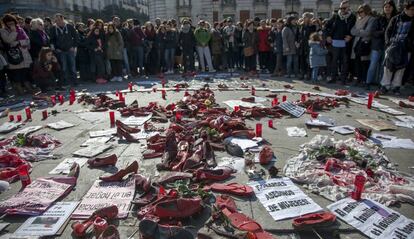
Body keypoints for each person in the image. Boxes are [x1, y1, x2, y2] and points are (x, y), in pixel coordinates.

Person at [380, 0, 414, 95]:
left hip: (406, 48)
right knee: (388, 67)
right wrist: (388, 43)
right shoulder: (396, 18)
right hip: (393, 46)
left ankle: (396, 87)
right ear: (405, 9)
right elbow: (388, 31)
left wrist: (410, 46)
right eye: (411, 9)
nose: (412, 11)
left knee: (401, 69)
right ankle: (385, 86)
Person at [366, 0, 398, 89]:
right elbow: (373, 32)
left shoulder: (396, 19)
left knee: (384, 67)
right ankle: (368, 82)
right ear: (383, 8)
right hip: (377, 45)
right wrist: (384, 32)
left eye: (389, 7)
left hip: (389, 46)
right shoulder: (378, 19)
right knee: (373, 65)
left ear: (393, 8)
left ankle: (381, 84)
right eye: (386, 7)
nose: (387, 8)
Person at [324, 0, 356, 84]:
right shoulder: (335, 16)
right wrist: (328, 36)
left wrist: (351, 36)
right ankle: (333, 77)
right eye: (340, 8)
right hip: (335, 43)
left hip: (346, 43)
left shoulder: (353, 17)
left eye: (344, 8)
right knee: (334, 61)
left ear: (349, 8)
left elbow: (355, 29)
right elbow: (326, 27)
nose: (342, 10)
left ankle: (343, 79)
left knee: (345, 61)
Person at [0, 14, 33, 95]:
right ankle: (19, 89)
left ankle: (28, 88)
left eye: (12, 22)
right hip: (14, 56)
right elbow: (8, 40)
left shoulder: (20, 29)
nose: (11, 24)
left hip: (24, 54)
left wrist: (18, 42)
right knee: (17, 74)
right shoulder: (3, 31)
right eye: (9, 23)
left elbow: (27, 40)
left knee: (25, 72)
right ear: (5, 23)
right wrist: (13, 32)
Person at [49, 13, 79, 86]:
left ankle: (75, 81)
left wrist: (73, 46)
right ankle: (66, 81)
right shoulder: (53, 28)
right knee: (64, 67)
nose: (57, 21)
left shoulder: (69, 26)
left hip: (70, 50)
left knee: (72, 66)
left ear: (63, 19)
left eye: (59, 19)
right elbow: (52, 40)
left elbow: (76, 37)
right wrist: (56, 48)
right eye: (56, 20)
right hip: (61, 51)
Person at [351, 4, 375, 85]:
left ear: (366, 11)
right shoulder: (358, 19)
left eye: (361, 11)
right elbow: (352, 31)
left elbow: (368, 32)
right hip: (357, 44)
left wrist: (358, 32)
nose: (359, 13)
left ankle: (364, 80)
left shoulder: (371, 19)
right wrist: (360, 31)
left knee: (364, 63)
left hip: (365, 44)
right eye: (358, 12)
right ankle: (357, 79)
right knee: (356, 62)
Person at [298, 12, 317, 80]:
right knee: (302, 59)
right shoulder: (301, 26)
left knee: (308, 60)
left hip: (309, 45)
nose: (303, 18)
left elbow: (313, 36)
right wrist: (299, 41)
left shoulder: (312, 26)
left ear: (308, 18)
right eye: (303, 17)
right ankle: (302, 73)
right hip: (302, 45)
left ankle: (308, 74)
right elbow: (300, 35)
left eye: (305, 17)